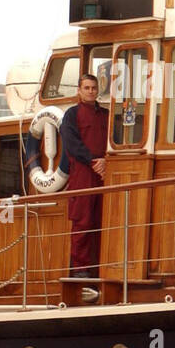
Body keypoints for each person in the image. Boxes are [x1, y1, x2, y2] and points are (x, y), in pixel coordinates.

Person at [60, 73, 107, 277]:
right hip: (82, 173)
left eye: (94, 88)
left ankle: (100, 265)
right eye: (86, 88)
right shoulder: (72, 115)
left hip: (105, 171)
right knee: (83, 221)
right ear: (79, 91)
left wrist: (106, 160)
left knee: (103, 219)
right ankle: (80, 269)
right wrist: (92, 161)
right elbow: (71, 143)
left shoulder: (106, 115)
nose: (91, 91)